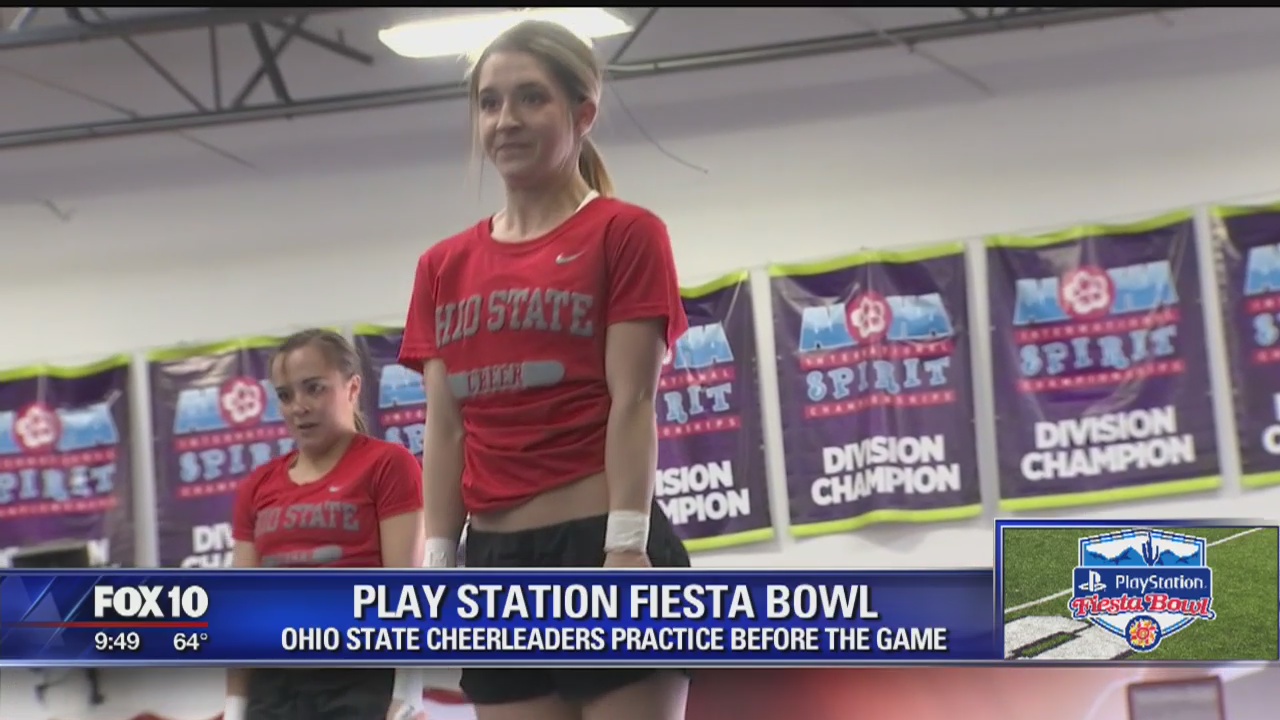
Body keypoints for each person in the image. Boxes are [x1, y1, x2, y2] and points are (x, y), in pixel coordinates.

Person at [397, 18, 692, 720]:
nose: (507, 120)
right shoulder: (442, 267)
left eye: (532, 98)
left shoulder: (624, 232)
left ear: (582, 113)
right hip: (497, 561)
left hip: (601, 541)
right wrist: (439, 564)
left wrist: (625, 547)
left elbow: (633, 402)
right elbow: (445, 430)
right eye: (490, 102)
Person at [222, 328, 428, 720]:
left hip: (359, 675)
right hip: (275, 681)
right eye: (285, 395)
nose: (298, 406)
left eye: (313, 389)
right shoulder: (257, 486)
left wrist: (407, 695)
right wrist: (234, 707)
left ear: (352, 388)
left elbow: (408, 591)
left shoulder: (387, 465)